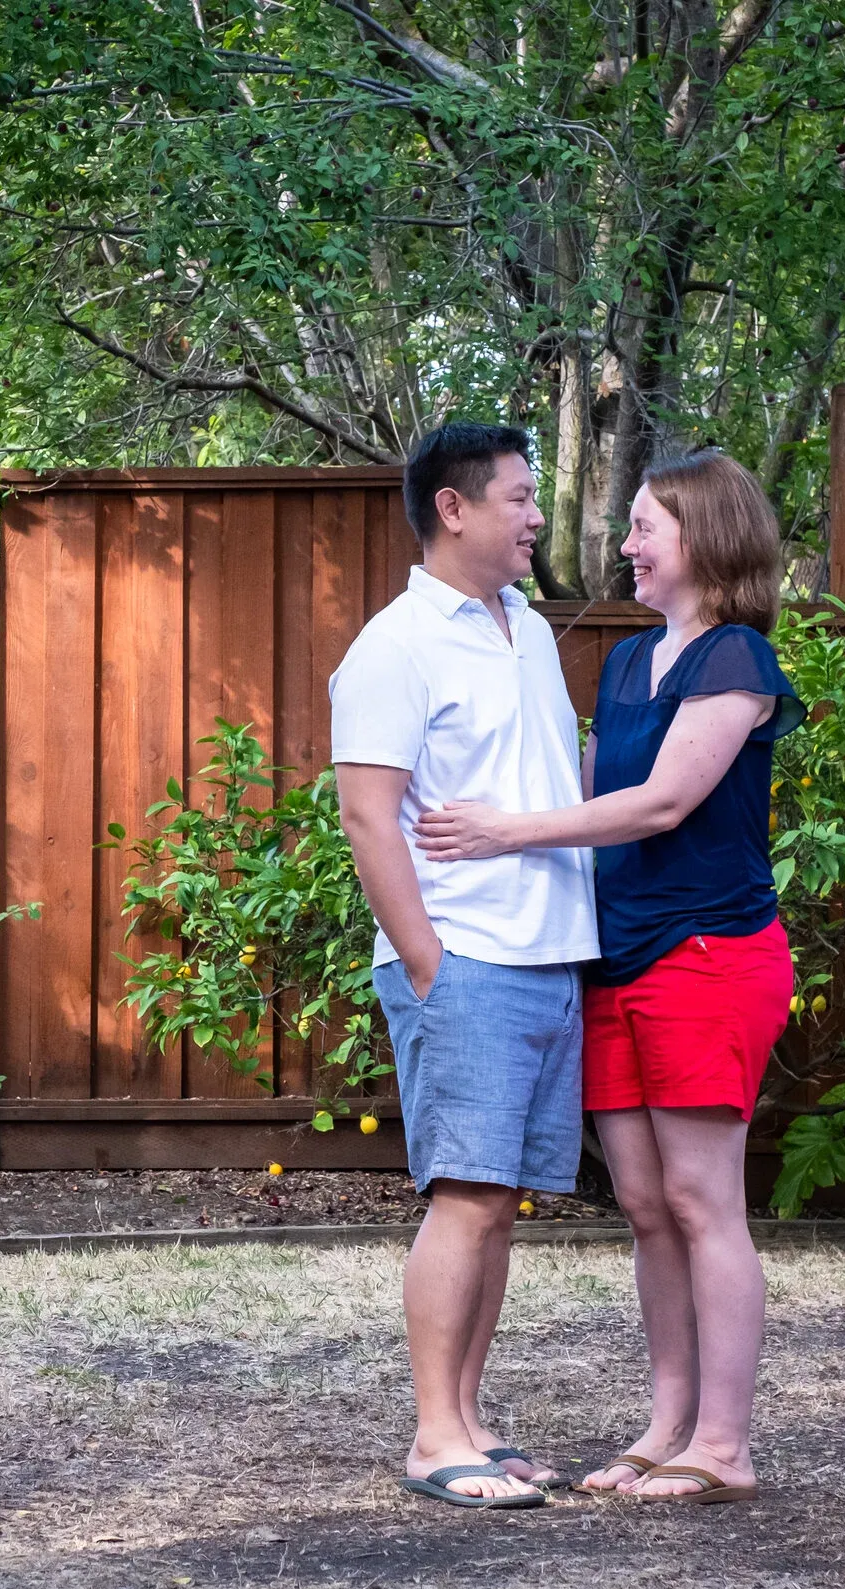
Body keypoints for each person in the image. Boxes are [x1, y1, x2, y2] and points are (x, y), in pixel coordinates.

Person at [416, 447, 803, 1505]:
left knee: (699, 1196)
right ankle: (666, 1422)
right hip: (617, 954)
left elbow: (660, 803)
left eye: (644, 527)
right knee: (641, 1200)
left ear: (706, 538)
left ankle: (723, 1444)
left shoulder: (735, 661)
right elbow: (582, 788)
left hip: (708, 953)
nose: (625, 545)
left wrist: (503, 833)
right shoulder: (630, 664)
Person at [330, 419, 599, 1509]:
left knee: (498, 1205)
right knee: (466, 1197)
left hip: (547, 955)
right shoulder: (395, 644)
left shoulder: (525, 627)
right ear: (455, 508)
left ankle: (473, 1420)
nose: (538, 516)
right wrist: (429, 962)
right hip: (468, 960)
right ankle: (434, 1433)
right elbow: (366, 814)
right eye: (521, 497)